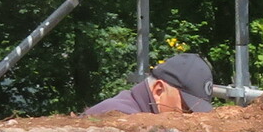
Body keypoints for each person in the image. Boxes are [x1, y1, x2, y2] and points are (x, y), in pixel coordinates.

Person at [83, 50, 216, 116]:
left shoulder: (133, 108)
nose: (191, 119)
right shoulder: (121, 116)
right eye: (186, 108)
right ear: (158, 91)